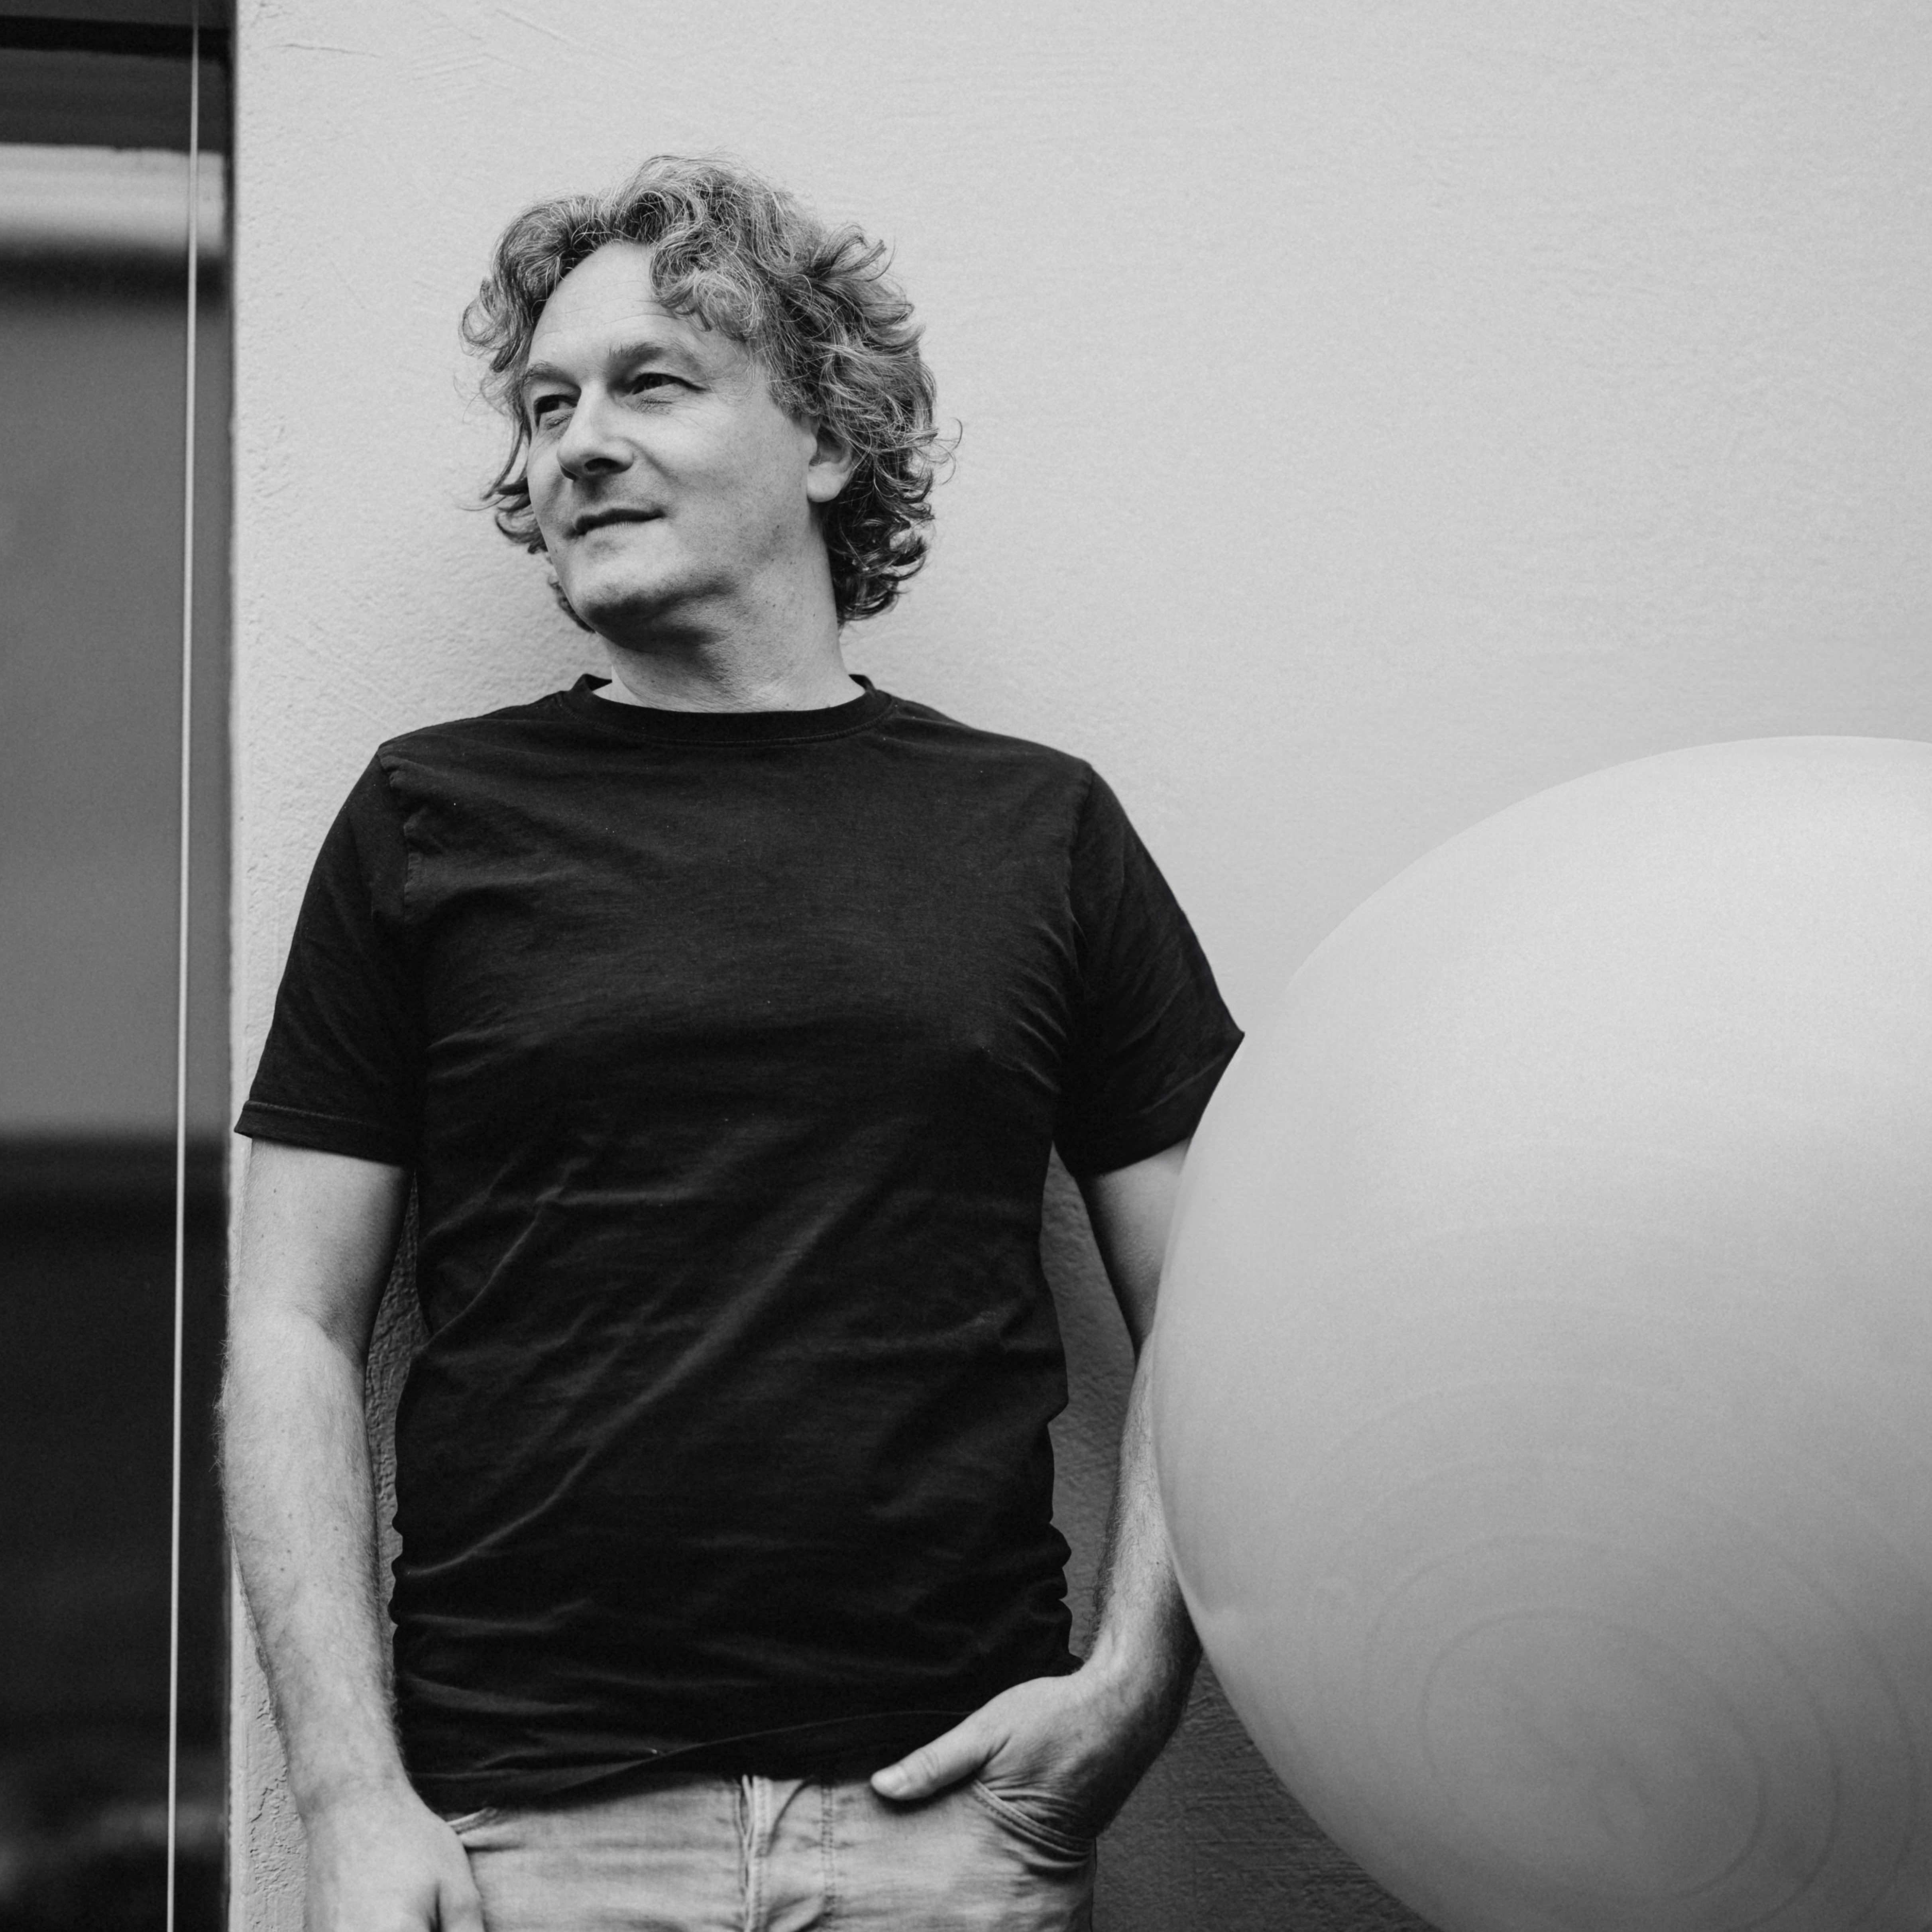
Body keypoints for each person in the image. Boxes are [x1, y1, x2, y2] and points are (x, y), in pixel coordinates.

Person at [221, 155, 1242, 1932]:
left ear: (829, 437)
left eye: (651, 384)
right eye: (547, 407)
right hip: (525, 1831)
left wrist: (1130, 1688)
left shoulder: (1040, 831)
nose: (578, 446)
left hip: (953, 1827)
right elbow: (290, 1329)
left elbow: (1228, 1299)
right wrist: (347, 1798)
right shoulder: (426, 819)